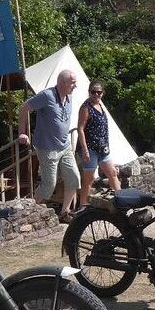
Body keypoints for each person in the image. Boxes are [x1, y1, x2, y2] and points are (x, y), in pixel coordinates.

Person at [18, 69, 81, 222]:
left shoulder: (69, 97)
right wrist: (22, 132)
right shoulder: (47, 96)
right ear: (62, 82)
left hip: (64, 146)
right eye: (73, 83)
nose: (75, 86)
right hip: (47, 148)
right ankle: (28, 215)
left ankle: (64, 212)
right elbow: (24, 108)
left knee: (74, 178)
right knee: (49, 185)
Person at [77, 81, 122, 208]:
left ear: (103, 93)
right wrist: (85, 150)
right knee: (89, 179)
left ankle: (122, 202)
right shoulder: (86, 107)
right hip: (90, 148)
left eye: (99, 92)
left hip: (102, 148)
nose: (96, 94)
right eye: (93, 92)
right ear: (89, 92)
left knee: (112, 173)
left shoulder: (100, 105)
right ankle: (83, 207)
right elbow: (80, 128)